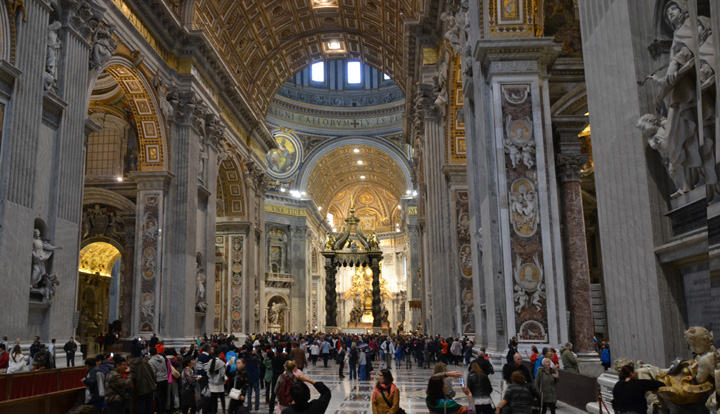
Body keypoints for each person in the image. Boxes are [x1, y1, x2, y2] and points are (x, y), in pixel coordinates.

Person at [148, 347, 170, 414]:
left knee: (158, 397)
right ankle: (164, 409)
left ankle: (159, 411)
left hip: (158, 380)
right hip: (165, 379)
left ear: (150, 353)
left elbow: (154, 373)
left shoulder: (151, 361)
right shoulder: (161, 357)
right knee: (164, 395)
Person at [207, 349, 226, 414]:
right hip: (220, 384)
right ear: (219, 354)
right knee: (222, 399)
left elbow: (208, 372)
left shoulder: (210, 361)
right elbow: (222, 374)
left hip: (212, 383)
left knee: (214, 399)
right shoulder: (221, 363)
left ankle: (214, 411)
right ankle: (224, 410)